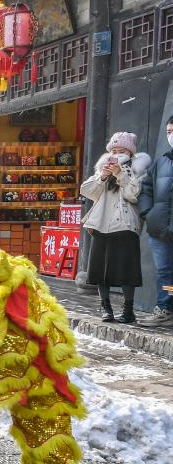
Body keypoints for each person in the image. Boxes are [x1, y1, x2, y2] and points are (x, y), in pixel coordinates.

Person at [80, 132, 150, 323]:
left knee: (127, 269)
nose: (117, 154)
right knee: (101, 269)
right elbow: (86, 191)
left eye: (122, 150)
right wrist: (103, 175)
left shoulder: (137, 169)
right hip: (102, 223)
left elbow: (133, 194)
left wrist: (120, 174)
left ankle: (128, 310)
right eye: (114, 150)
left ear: (130, 152)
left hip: (125, 225)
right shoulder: (102, 169)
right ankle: (106, 307)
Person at [138, 116, 173, 327]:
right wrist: (148, 213)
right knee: (166, 273)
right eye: (168, 131)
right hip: (160, 229)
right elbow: (146, 188)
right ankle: (165, 308)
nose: (171, 135)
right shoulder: (162, 161)